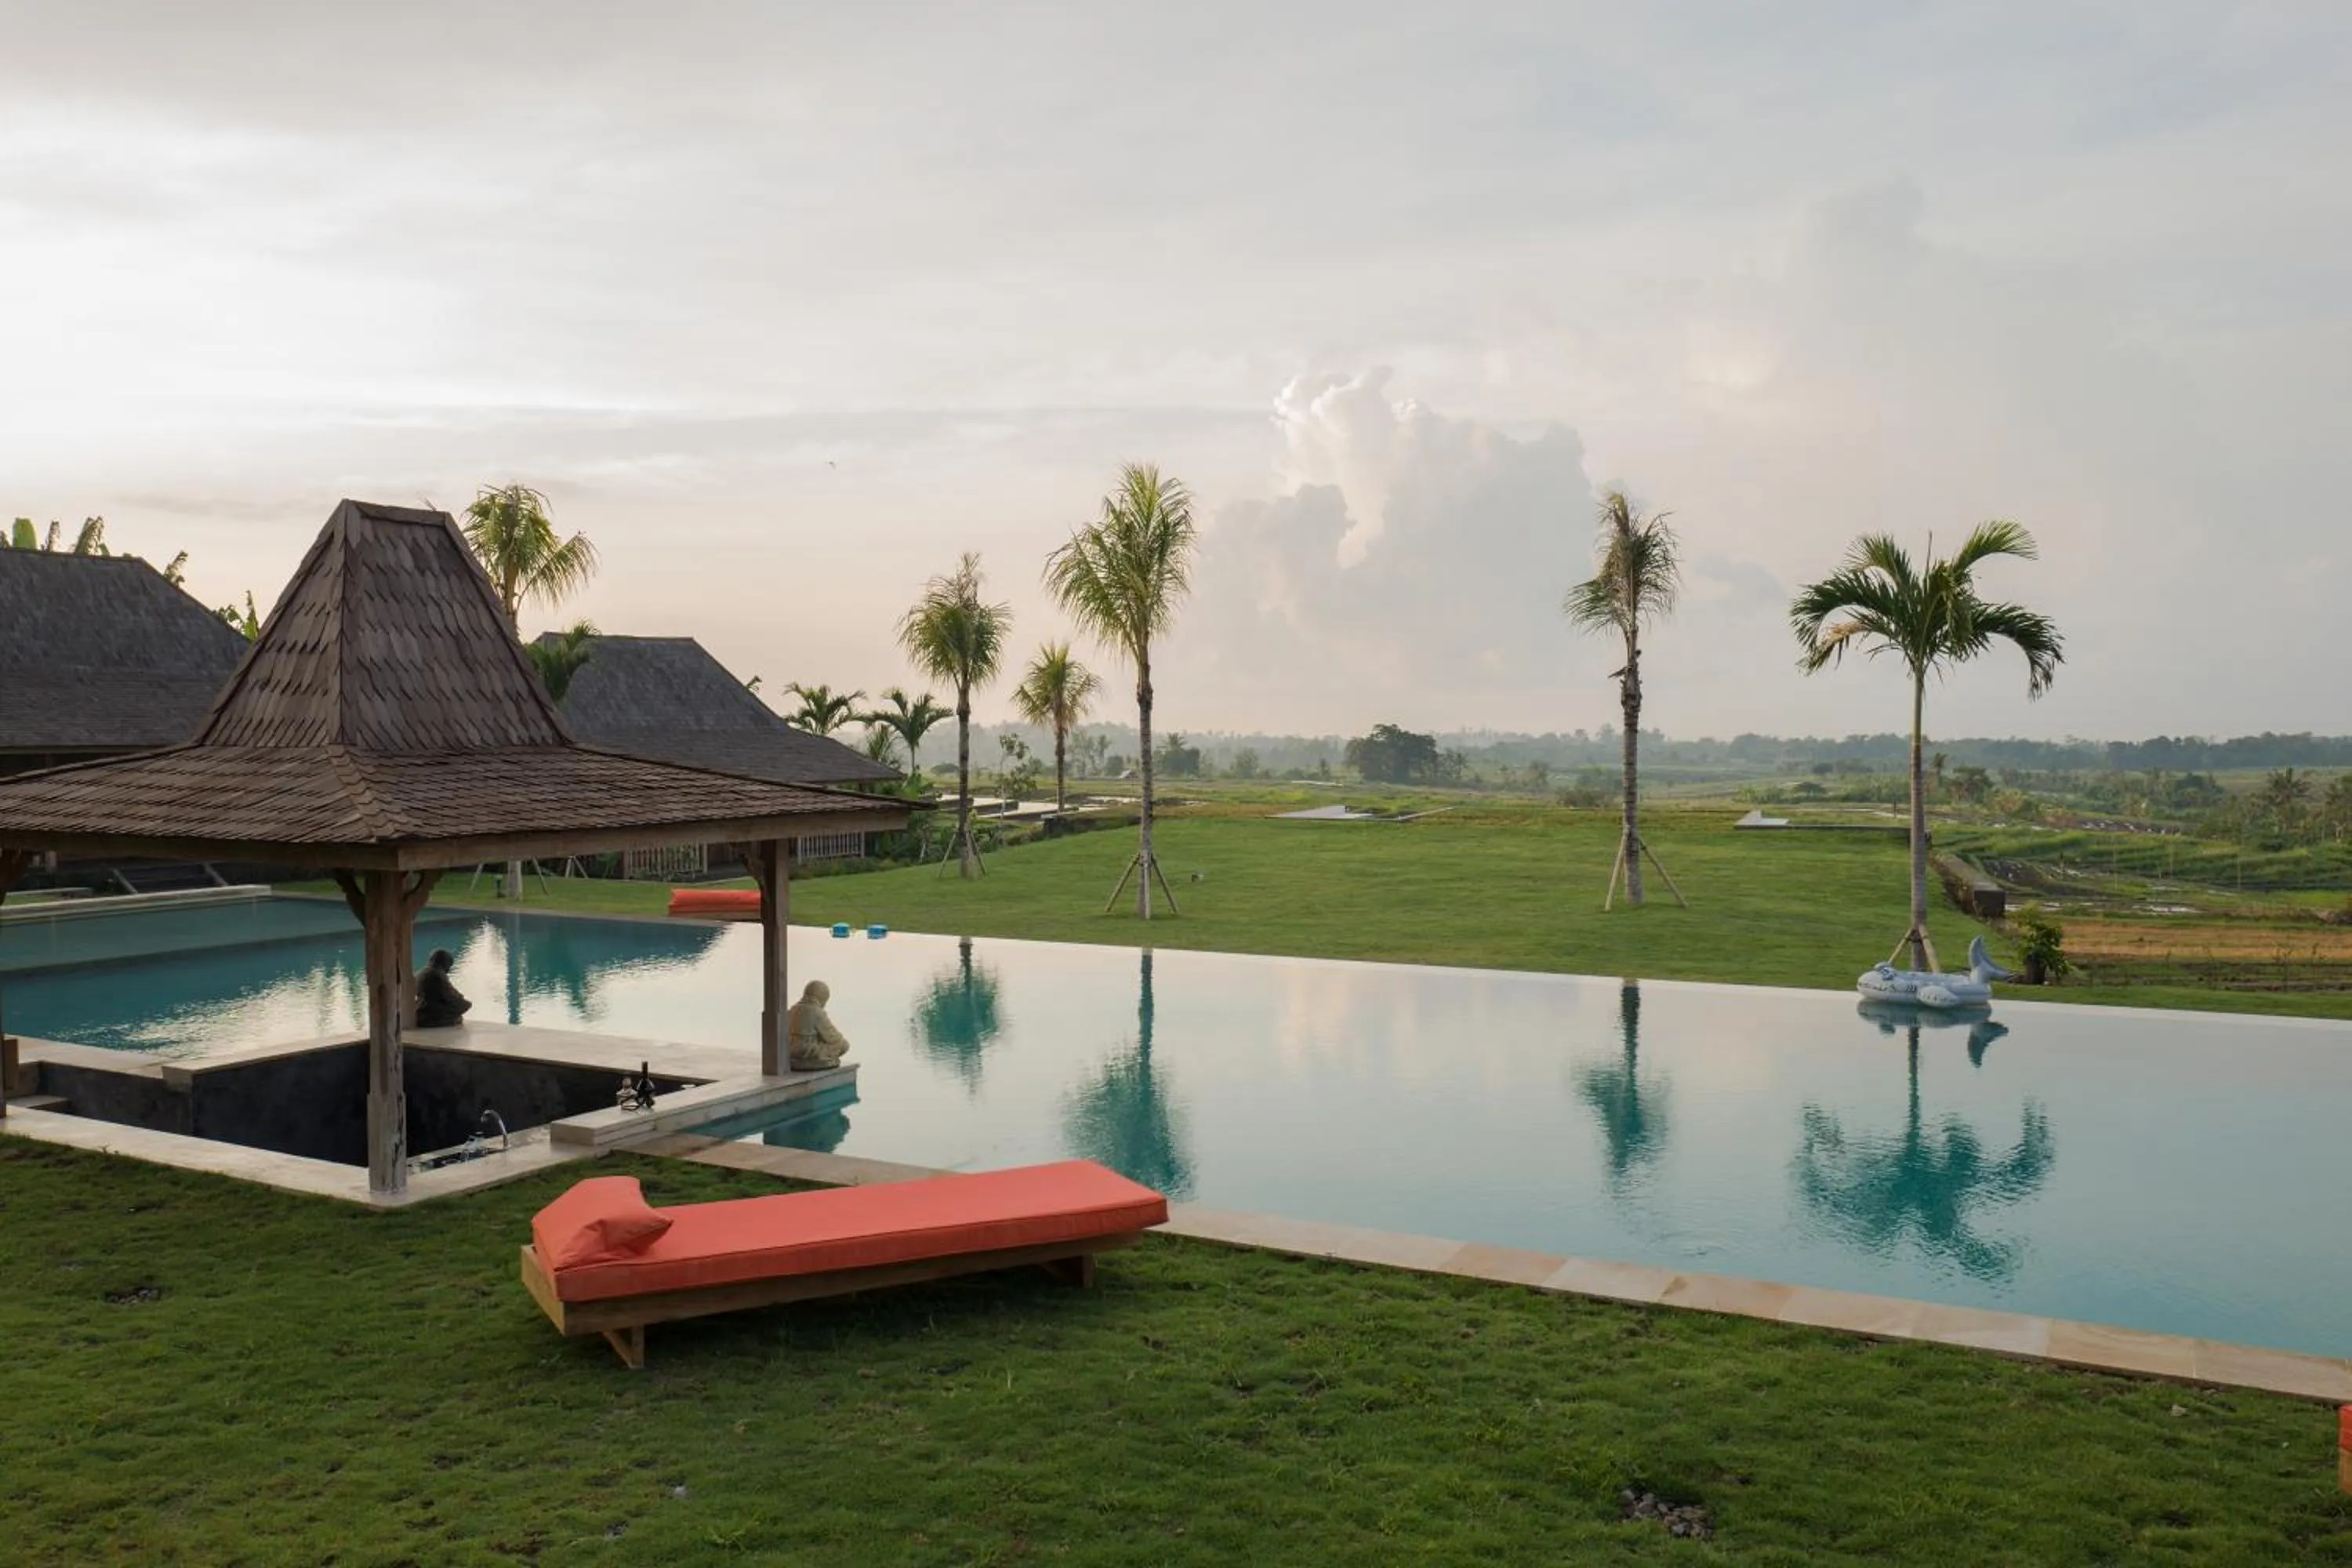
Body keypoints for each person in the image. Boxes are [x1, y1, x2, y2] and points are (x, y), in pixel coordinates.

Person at [785, 979, 851, 1071]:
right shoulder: (816, 1011)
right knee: (844, 1045)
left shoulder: (793, 1009)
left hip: (790, 1050)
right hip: (807, 1052)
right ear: (822, 997)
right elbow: (834, 1037)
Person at [415, 948, 472, 1028]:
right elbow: (452, 997)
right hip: (429, 1015)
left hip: (419, 1012)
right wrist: (464, 1002)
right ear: (445, 964)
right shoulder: (436, 975)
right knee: (463, 1008)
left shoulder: (420, 973)